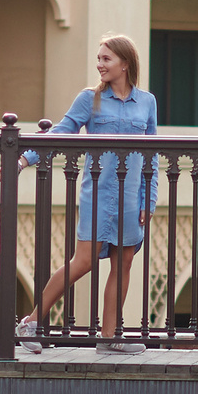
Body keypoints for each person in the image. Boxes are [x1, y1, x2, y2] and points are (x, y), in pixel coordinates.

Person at [18, 32, 159, 354]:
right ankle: (31, 322)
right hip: (98, 192)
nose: (100, 65)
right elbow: (60, 133)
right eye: (99, 59)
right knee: (82, 262)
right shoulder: (89, 99)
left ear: (125, 64)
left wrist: (148, 200)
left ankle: (109, 338)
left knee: (123, 263)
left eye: (106, 59)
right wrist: (24, 159)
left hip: (131, 196)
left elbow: (152, 155)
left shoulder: (147, 102)